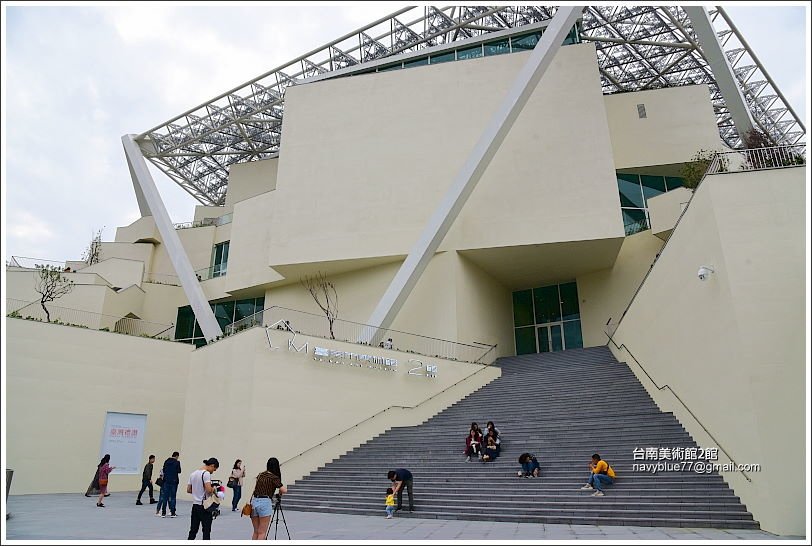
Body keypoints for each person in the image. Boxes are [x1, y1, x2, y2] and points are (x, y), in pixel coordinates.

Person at [250, 457, 288, 540]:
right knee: (262, 532)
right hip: (264, 502)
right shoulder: (274, 477)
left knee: (256, 531)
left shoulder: (261, 475)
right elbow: (284, 490)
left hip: (254, 502)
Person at [187, 457, 220, 540]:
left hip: (195, 505)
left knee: (193, 530)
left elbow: (188, 490)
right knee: (206, 531)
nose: (213, 471)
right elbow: (209, 490)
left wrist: (197, 491)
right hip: (204, 506)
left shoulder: (193, 474)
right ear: (212, 466)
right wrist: (215, 489)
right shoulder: (206, 474)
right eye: (214, 469)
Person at [156, 451, 182, 518]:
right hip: (174, 481)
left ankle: (163, 513)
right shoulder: (177, 462)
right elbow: (179, 471)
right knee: (173, 497)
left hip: (166, 481)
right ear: (176, 456)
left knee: (165, 497)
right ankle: (172, 513)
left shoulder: (166, 461)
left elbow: (164, 470)